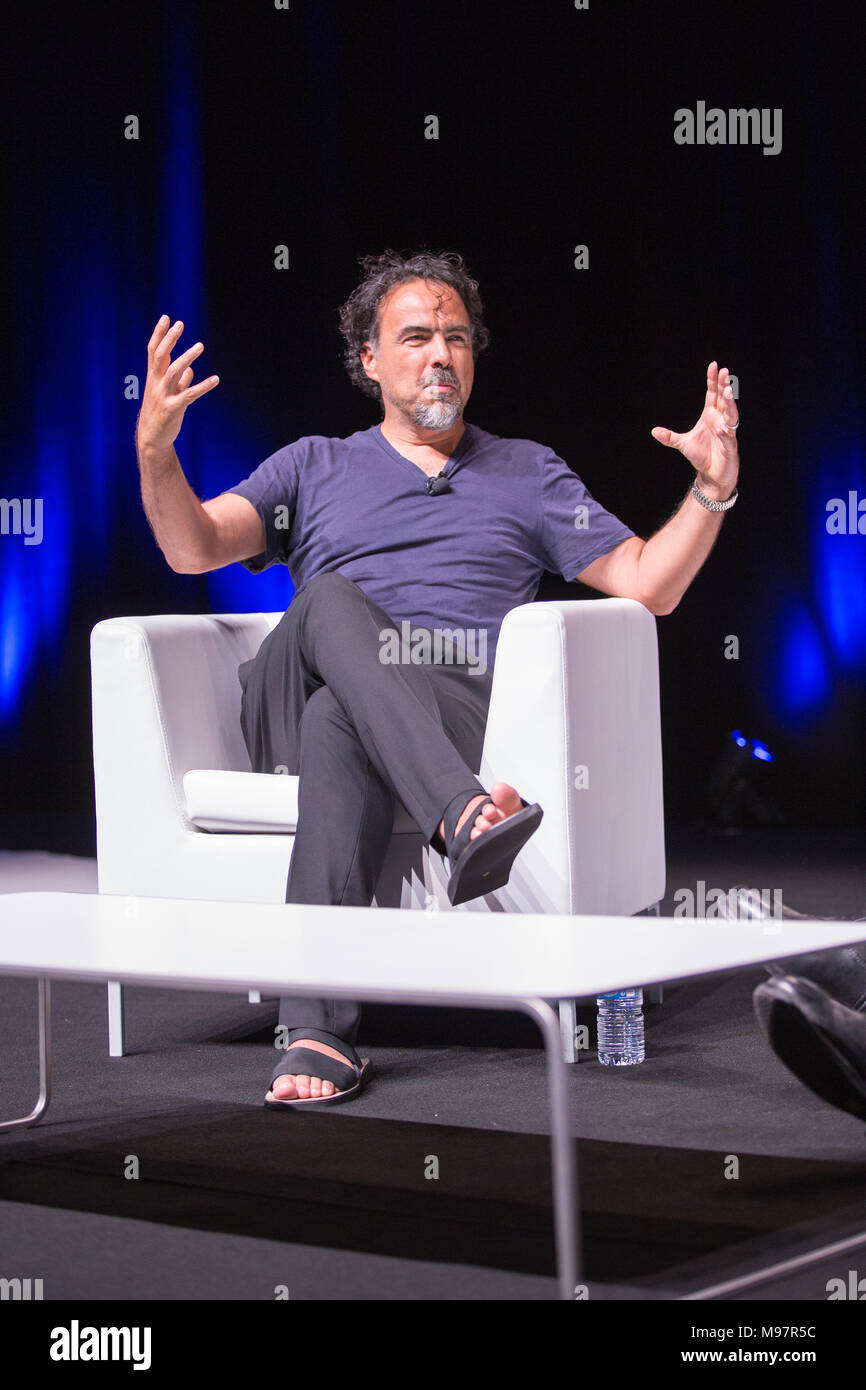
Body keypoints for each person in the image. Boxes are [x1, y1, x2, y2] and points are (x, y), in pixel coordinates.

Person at [134, 248, 740, 1108]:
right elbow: (193, 547)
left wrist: (710, 492)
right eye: (415, 336)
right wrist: (157, 453)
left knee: (340, 721)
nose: (440, 354)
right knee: (333, 606)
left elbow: (649, 582)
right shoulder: (311, 468)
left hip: (441, 715)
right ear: (370, 361)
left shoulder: (529, 473)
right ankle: (461, 815)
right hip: (292, 711)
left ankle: (315, 1031)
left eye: (456, 337)